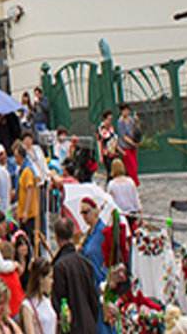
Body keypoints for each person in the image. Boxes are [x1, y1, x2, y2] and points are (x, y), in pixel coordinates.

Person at [50, 217, 98, 334]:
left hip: (72, 328)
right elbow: (94, 299)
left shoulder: (59, 267)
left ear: (56, 238)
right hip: (88, 325)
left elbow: (59, 304)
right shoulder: (85, 263)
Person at [77, 198, 112, 334]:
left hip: (100, 280)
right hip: (90, 281)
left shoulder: (102, 232)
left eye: (86, 212)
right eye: (82, 213)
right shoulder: (88, 234)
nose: (84, 216)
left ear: (95, 212)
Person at [20, 257, 56, 334]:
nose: (52, 281)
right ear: (40, 279)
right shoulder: (28, 306)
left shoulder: (47, 301)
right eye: (49, 277)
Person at [14, 142, 38, 239]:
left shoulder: (27, 171)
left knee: (30, 239)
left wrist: (26, 211)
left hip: (29, 213)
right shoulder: (22, 170)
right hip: (23, 211)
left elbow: (29, 191)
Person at [115, 104, 139, 186]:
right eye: (125, 110)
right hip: (125, 146)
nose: (127, 112)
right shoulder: (120, 122)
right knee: (130, 166)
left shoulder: (130, 119)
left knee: (135, 165)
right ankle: (134, 184)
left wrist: (136, 122)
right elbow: (123, 136)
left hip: (132, 145)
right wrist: (133, 143)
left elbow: (134, 129)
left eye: (127, 110)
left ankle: (134, 183)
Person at [96, 110, 118, 185]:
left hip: (113, 150)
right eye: (108, 119)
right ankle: (109, 185)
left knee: (114, 169)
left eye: (111, 119)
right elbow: (100, 142)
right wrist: (101, 155)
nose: (110, 121)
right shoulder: (101, 128)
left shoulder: (111, 127)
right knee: (110, 170)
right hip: (106, 152)